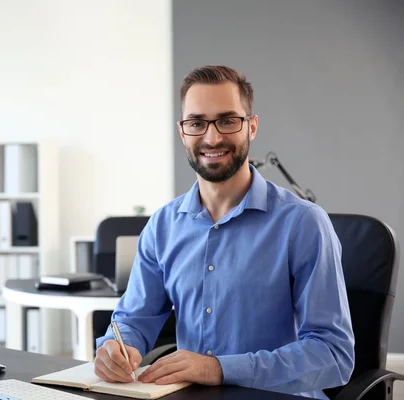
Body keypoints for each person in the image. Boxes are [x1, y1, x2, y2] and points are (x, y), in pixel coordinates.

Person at [94, 65, 354, 399]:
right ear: (183, 131)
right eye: (197, 123)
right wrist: (117, 347)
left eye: (228, 120)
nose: (212, 137)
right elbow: (133, 319)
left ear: (252, 127)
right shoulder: (163, 225)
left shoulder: (303, 224)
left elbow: (334, 356)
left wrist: (219, 369)